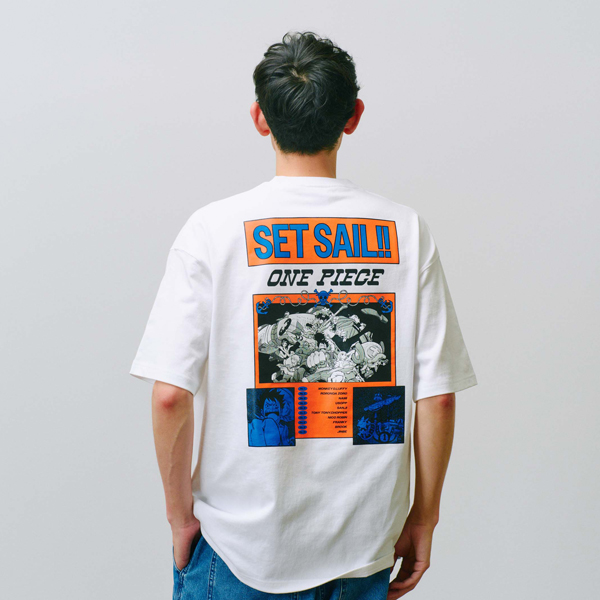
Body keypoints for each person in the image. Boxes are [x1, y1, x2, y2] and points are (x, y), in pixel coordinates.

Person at [130, 30, 477, 600]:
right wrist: (424, 516)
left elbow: (170, 395)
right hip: (363, 549)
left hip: (241, 548)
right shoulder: (405, 232)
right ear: (353, 116)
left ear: (260, 118)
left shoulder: (213, 230)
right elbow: (436, 398)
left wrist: (179, 517)